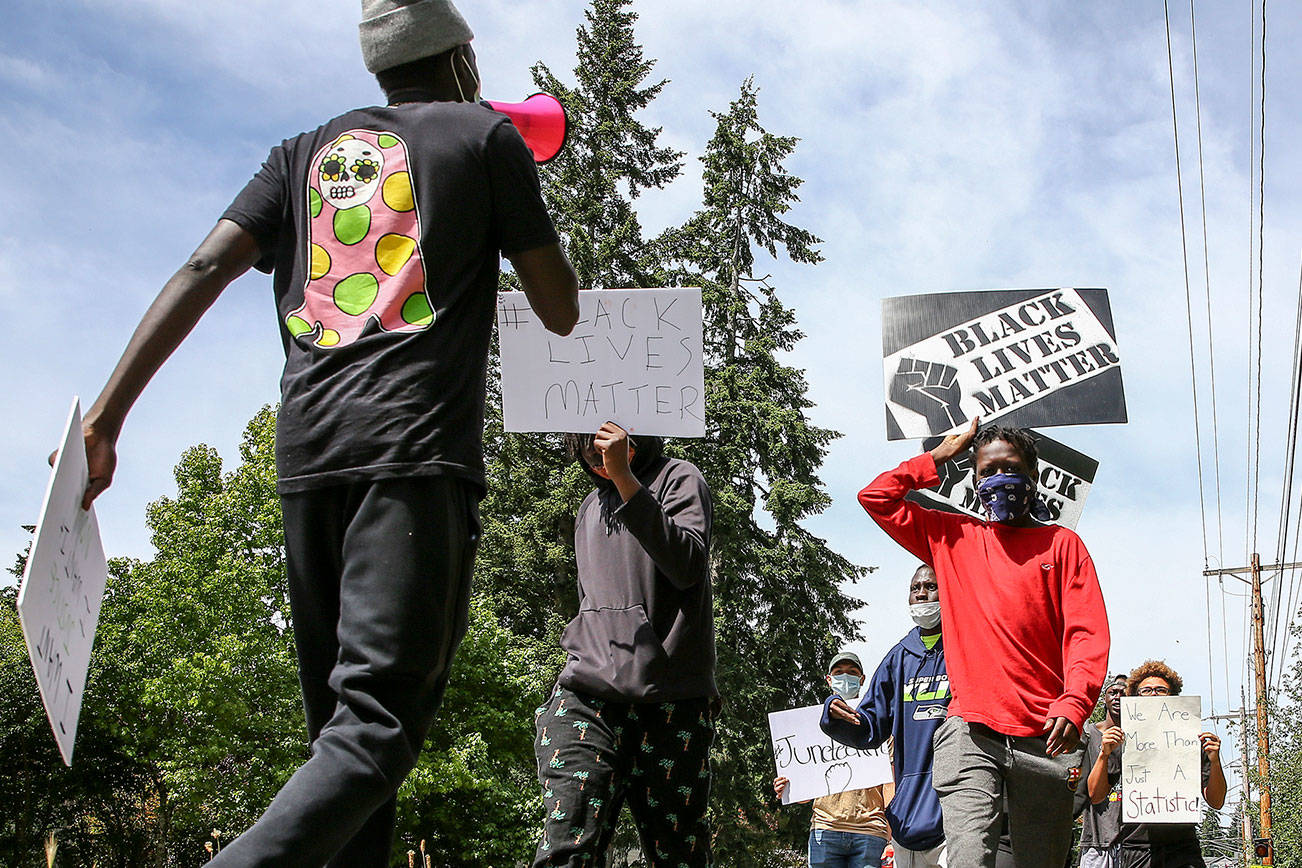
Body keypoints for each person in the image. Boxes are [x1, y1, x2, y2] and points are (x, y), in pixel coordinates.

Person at [72, 1, 580, 865]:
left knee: (344, 753)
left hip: (309, 461)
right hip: (413, 457)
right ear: (461, 57)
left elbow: (203, 266)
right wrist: (500, 194)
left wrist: (106, 418)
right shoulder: (485, 140)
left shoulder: (297, 153)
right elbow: (560, 310)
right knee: (378, 729)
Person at [858, 419, 1109, 868]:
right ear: (974, 482)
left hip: (1045, 740)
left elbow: (1086, 635)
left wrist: (1075, 703)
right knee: (968, 859)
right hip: (969, 732)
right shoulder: (952, 537)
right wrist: (938, 457)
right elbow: (876, 498)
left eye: (1010, 469)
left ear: (1033, 478)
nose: (999, 481)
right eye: (987, 472)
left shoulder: (1063, 546)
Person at [533, 422, 715, 867]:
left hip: (671, 700)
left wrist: (626, 481)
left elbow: (687, 565)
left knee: (679, 854)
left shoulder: (680, 478)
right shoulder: (588, 508)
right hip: (587, 692)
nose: (599, 455)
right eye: (587, 450)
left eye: (608, 445)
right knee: (567, 846)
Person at [821, 566, 949, 867]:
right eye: (914, 587)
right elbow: (869, 726)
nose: (921, 593)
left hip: (952, 814)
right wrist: (835, 715)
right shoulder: (898, 657)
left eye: (930, 586)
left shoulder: (964, 648)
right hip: (906, 819)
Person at [1090, 661, 1226, 868]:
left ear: (1172, 696)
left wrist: (1215, 762)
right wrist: (1104, 754)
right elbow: (1095, 795)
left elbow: (1216, 801)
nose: (1153, 695)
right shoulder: (1124, 739)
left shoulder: (1193, 740)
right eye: (1146, 690)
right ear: (1136, 697)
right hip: (1136, 847)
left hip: (1183, 846)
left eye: (1161, 690)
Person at [776, 651, 892, 868]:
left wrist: (891, 834)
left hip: (870, 831)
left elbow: (890, 781)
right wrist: (788, 786)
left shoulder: (878, 724)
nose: (845, 677)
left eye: (852, 672)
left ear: (862, 679)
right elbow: (804, 795)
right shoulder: (810, 726)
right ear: (829, 679)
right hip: (825, 829)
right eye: (838, 672)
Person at [1078, 675, 1128, 868]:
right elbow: (1088, 792)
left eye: (1124, 693)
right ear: (1104, 699)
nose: (1117, 697)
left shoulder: (1144, 737)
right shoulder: (1089, 735)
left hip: (1134, 842)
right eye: (1112, 692)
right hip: (1098, 840)